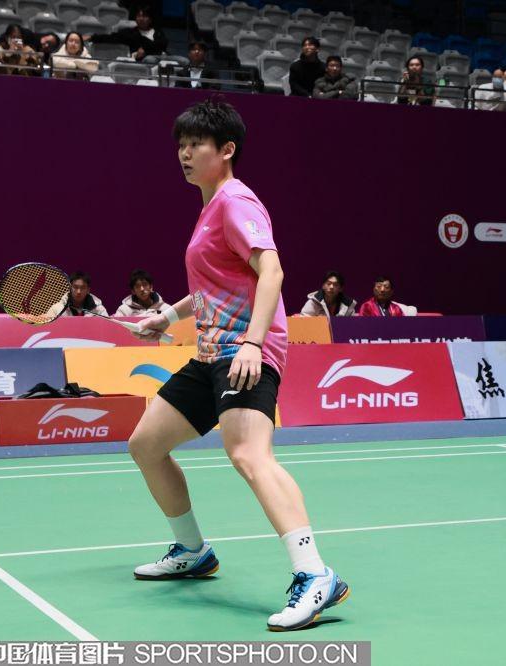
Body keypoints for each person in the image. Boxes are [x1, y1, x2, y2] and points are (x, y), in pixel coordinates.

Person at [127, 99, 349, 631]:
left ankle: (315, 574)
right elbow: (215, 284)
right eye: (180, 144)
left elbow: (271, 271)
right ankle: (192, 551)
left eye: (196, 144)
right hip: (210, 353)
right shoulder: (210, 208)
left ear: (226, 149)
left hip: (245, 354)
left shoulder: (235, 201)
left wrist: (253, 343)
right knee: (146, 445)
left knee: (250, 455)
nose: (184, 153)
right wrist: (166, 317)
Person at [88, 5, 167, 62]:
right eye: (139, 16)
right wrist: (92, 37)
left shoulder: (157, 32)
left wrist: (146, 48)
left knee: (175, 59)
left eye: (144, 16)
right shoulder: (130, 33)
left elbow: (164, 43)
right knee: (150, 59)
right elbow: (112, 37)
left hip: (162, 58)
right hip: (144, 63)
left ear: (150, 19)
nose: (141, 19)